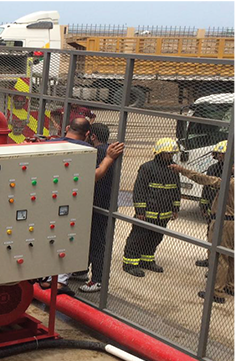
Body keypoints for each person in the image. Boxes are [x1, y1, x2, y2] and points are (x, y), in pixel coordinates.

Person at [39, 118, 124, 295]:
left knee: (49, 238)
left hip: (46, 200)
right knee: (69, 240)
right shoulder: (85, 151)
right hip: (73, 203)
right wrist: (109, 158)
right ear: (87, 134)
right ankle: (59, 282)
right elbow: (93, 176)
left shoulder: (50, 144)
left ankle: (46, 278)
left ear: (67, 128)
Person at [170, 157, 235, 304]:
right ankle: (231, 286)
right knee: (231, 255)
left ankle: (216, 291)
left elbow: (204, 179)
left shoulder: (230, 183)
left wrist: (182, 170)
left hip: (224, 222)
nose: (231, 167)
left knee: (219, 257)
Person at [122, 138, 181, 277]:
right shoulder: (147, 168)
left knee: (155, 238)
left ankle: (147, 260)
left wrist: (175, 209)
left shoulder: (174, 169)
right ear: (159, 152)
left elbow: (176, 190)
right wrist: (140, 211)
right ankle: (130, 263)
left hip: (164, 213)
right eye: (167, 153)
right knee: (138, 238)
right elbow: (139, 190)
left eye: (172, 153)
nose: (170, 156)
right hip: (147, 213)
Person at [78, 123, 117, 293]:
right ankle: (81, 270)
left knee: (96, 242)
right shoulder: (108, 151)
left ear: (92, 136)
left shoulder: (98, 152)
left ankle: (97, 279)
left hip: (97, 203)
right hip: (104, 203)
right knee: (92, 239)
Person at [195, 140, 226, 268]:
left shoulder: (232, 171)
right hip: (212, 211)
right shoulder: (213, 168)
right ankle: (210, 260)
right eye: (219, 153)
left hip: (227, 214)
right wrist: (203, 205)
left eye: (223, 154)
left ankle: (218, 267)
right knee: (211, 236)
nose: (220, 156)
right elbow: (206, 188)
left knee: (224, 240)